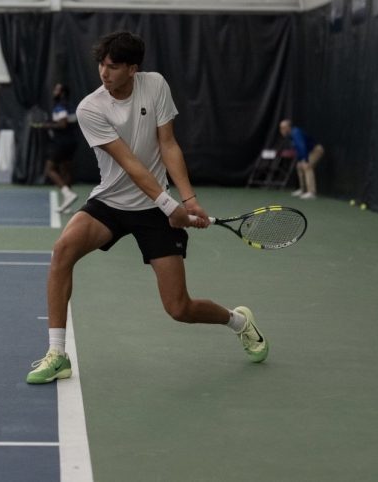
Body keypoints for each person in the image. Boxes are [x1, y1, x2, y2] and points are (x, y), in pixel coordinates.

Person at [26, 31, 268, 384]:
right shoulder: (90, 107)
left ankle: (239, 321)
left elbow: (168, 144)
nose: (103, 74)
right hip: (111, 201)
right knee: (62, 251)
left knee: (179, 308)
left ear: (132, 69)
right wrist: (171, 205)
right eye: (101, 66)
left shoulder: (154, 85)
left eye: (112, 67)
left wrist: (188, 199)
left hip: (153, 211)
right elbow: (129, 164)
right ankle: (57, 354)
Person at [37, 83, 80, 212]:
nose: (54, 92)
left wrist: (48, 126)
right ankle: (68, 205)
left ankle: (67, 193)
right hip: (72, 142)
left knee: (49, 170)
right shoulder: (72, 106)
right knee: (65, 170)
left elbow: (62, 124)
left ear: (62, 93)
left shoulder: (60, 107)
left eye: (56, 90)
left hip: (61, 142)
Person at [279, 119, 324, 199]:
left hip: (316, 150)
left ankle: (311, 192)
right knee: (299, 166)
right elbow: (298, 149)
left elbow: (302, 146)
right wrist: (300, 160)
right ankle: (303, 190)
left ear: (288, 127)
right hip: (308, 152)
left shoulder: (296, 133)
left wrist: (305, 159)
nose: (281, 130)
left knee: (307, 166)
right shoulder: (290, 135)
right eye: (281, 128)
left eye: (283, 127)